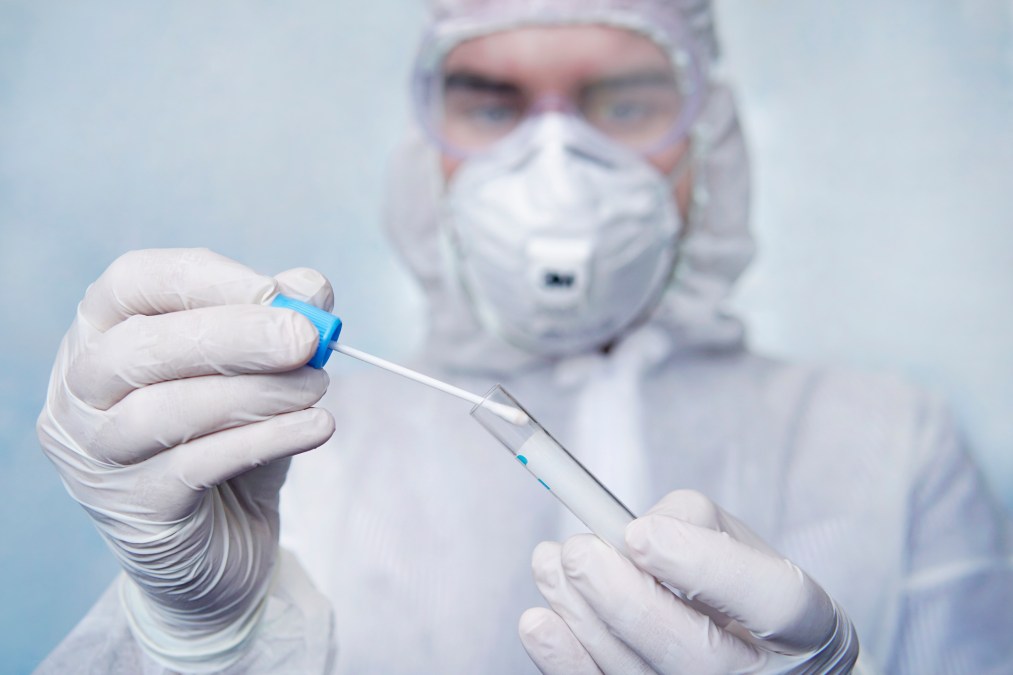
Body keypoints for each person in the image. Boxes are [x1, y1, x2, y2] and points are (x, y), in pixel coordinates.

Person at [35, 0, 1013, 673]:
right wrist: (194, 637)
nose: (553, 160)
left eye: (621, 100)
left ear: (707, 135)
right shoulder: (286, 446)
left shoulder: (890, 445)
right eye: (490, 101)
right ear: (428, 148)